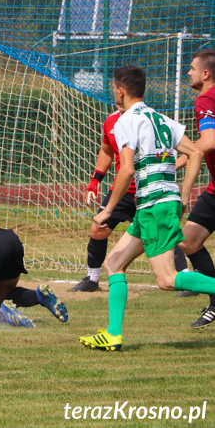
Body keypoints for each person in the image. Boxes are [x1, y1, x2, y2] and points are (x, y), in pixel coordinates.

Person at [79, 65, 215, 351]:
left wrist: (107, 210)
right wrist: (183, 196)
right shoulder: (163, 119)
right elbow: (195, 153)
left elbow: (126, 171)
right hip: (154, 206)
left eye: (113, 88)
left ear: (120, 90)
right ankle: (113, 334)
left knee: (167, 279)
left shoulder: (125, 121)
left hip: (154, 206)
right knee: (114, 263)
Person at [75, 110, 194, 296]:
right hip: (122, 192)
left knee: (164, 233)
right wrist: (95, 180)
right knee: (99, 231)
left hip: (149, 192)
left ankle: (186, 278)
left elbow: (192, 152)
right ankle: (92, 279)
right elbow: (106, 150)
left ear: (121, 90)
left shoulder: (148, 120)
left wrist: (168, 166)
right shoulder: (112, 122)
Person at [181, 48, 215, 329]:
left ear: (205, 74)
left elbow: (209, 140)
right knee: (189, 240)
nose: (188, 73)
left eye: (192, 68)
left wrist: (177, 161)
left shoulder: (205, 98)